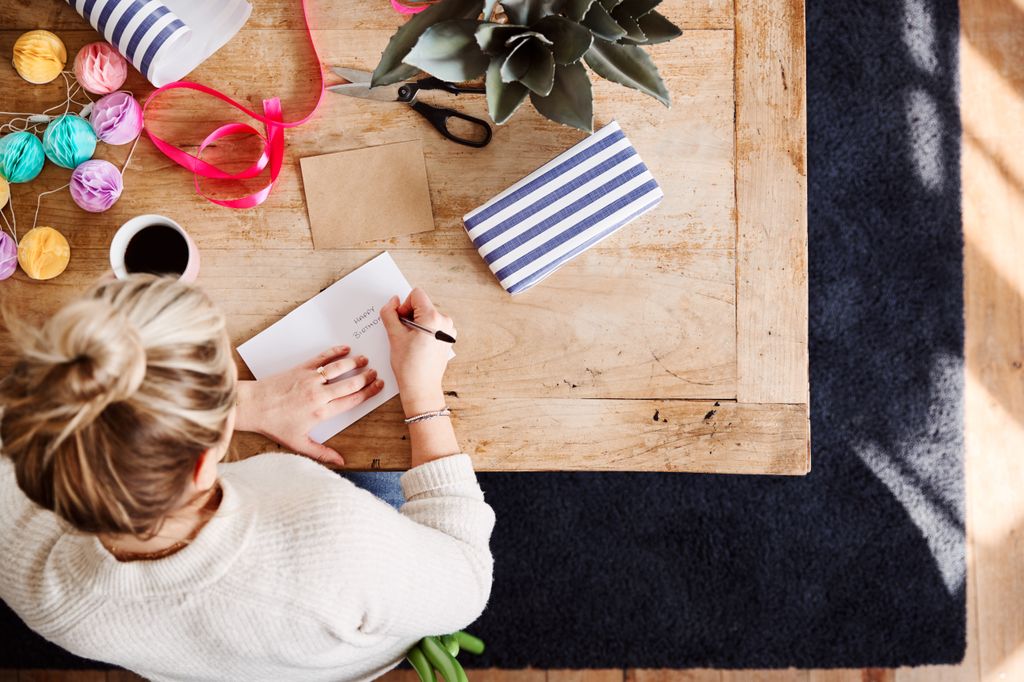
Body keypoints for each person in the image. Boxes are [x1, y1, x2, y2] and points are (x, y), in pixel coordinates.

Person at [0, 275, 494, 681]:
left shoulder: (46, 594)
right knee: (381, 479)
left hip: (238, 659)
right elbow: (467, 583)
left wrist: (250, 404)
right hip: (348, 638)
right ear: (200, 463)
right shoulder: (334, 534)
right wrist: (422, 390)